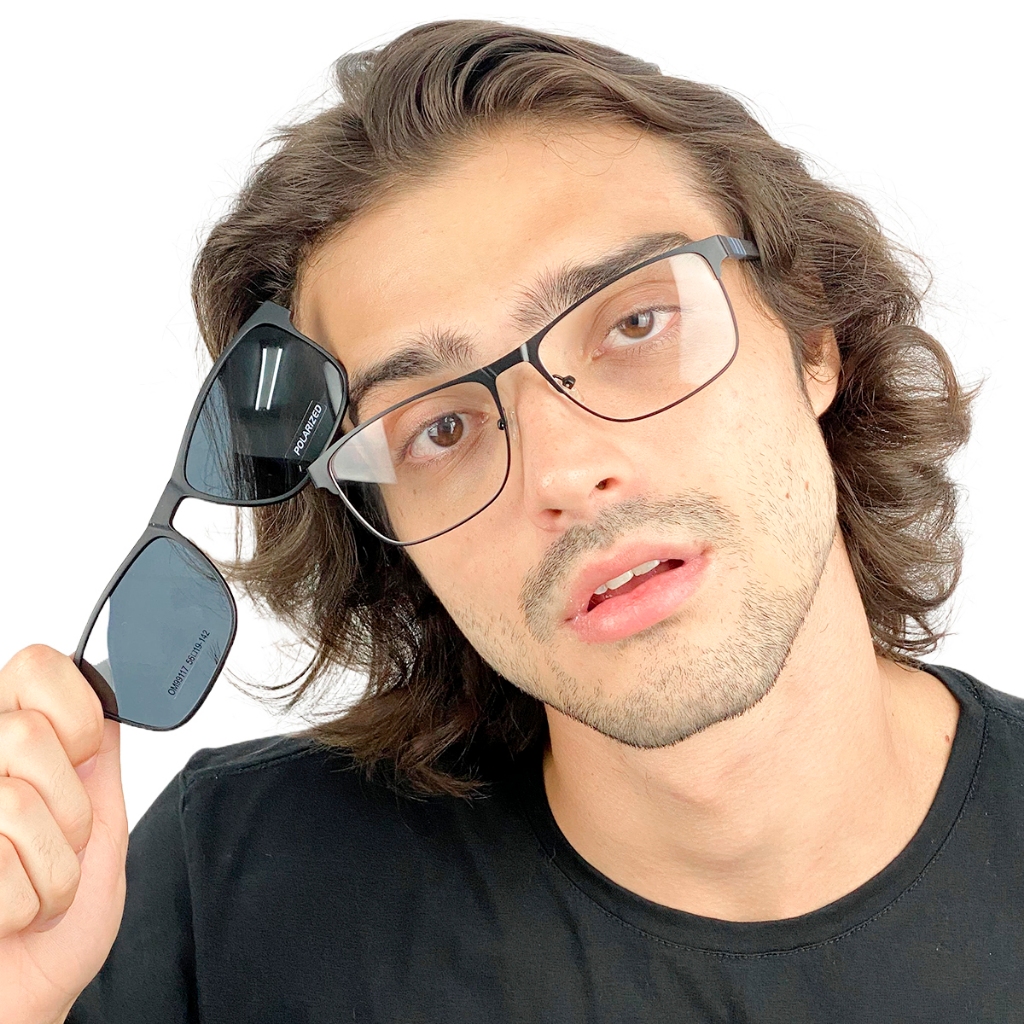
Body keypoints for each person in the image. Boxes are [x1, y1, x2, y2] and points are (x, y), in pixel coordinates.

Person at [1, 19, 1017, 1024]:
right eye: (438, 428)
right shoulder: (218, 898)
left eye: (636, 323)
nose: (563, 471)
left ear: (813, 341)